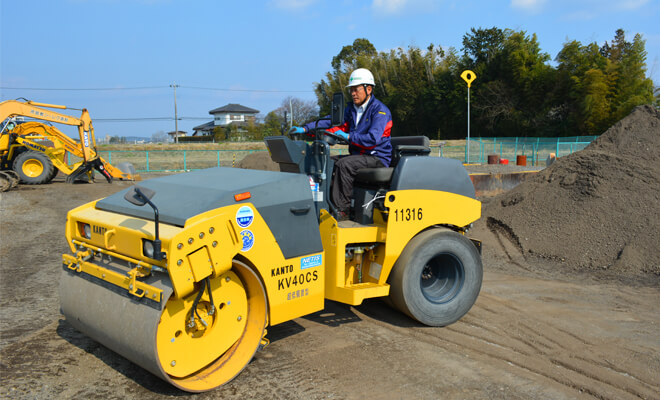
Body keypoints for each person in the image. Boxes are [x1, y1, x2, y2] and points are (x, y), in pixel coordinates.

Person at [290, 68, 392, 221]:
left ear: (368, 89)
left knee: (344, 165)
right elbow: (331, 120)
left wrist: (348, 136)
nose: (352, 93)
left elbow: (373, 139)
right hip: (359, 156)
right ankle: (323, 204)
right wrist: (305, 128)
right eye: (351, 90)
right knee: (326, 162)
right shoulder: (351, 109)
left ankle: (341, 212)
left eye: (356, 89)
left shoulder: (380, 111)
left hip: (376, 157)